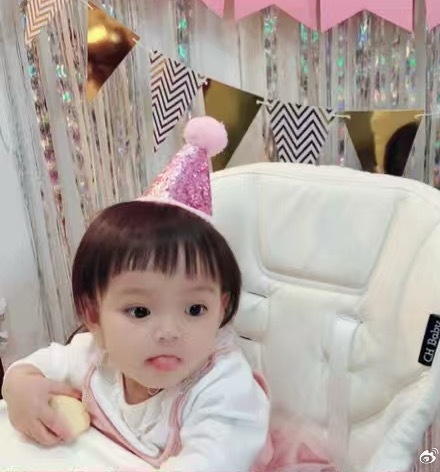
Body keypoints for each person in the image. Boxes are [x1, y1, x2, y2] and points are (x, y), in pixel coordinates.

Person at [1, 117, 271, 471]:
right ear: (93, 314)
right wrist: (19, 387)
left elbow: (211, 461)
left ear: (221, 310)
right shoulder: (96, 355)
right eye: (140, 311)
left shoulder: (223, 388)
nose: (169, 332)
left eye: (195, 309)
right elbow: (35, 365)